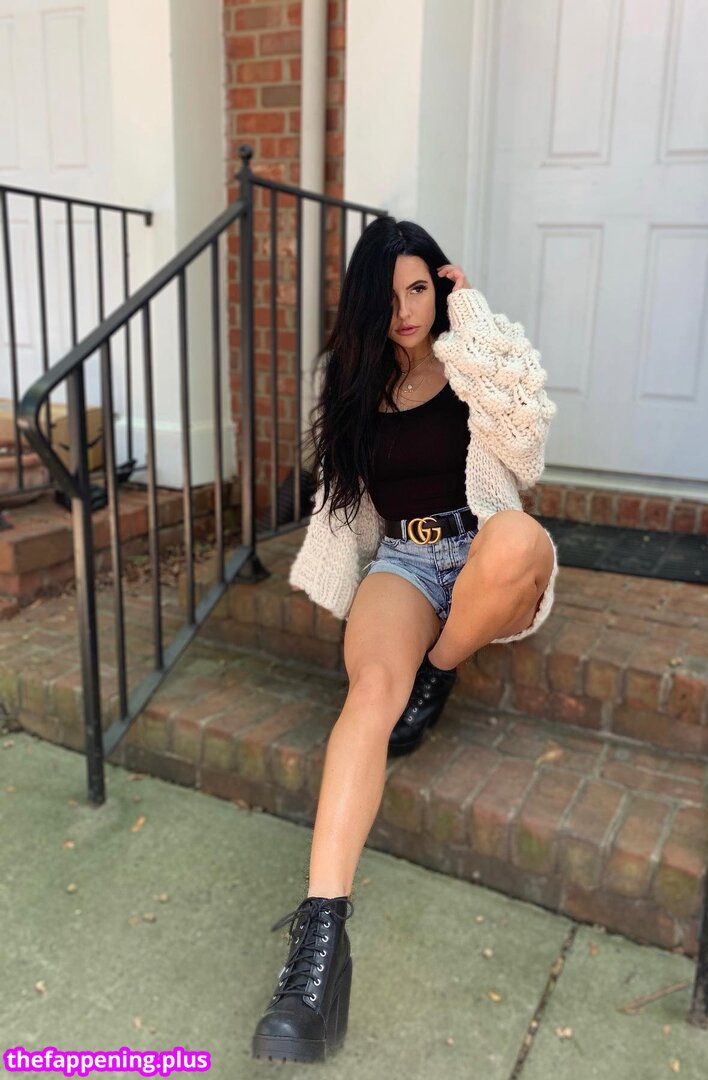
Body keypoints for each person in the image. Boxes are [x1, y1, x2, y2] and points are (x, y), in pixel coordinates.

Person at [251, 217, 559, 1063]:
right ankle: (318, 945)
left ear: (440, 286)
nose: (407, 311)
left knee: (516, 541)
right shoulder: (351, 382)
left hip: (485, 548)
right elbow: (344, 495)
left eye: (419, 289)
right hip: (407, 560)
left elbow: (527, 450)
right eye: (388, 298)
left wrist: (475, 320)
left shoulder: (471, 358)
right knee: (369, 693)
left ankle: (443, 665)